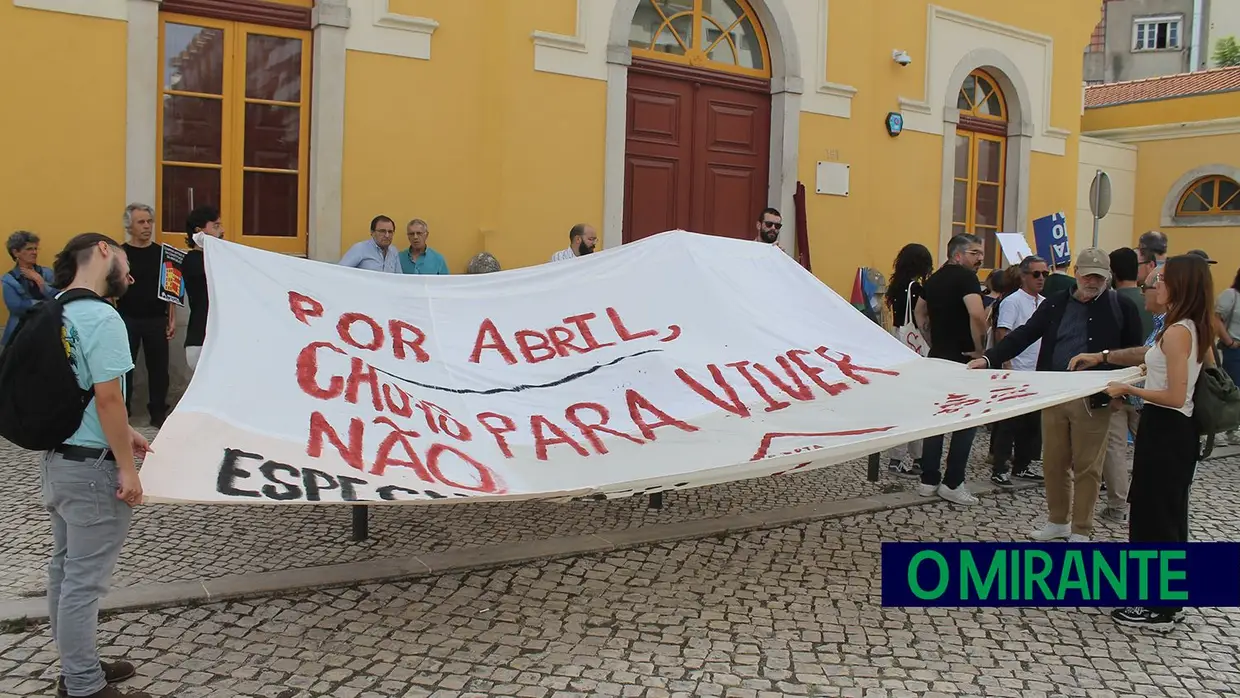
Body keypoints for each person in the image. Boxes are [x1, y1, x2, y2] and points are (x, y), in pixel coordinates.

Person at [1070, 254, 1213, 630]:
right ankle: (1164, 598)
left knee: (1157, 516)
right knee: (1161, 512)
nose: (1154, 284)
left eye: (1161, 280)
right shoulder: (1184, 326)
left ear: (1179, 286)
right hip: (1166, 430)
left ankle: (1158, 607)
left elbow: (1176, 395)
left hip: (1169, 429)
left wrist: (1128, 388)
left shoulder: (1180, 330)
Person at [969, 248, 1144, 541]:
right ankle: (1058, 521)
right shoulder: (1056, 303)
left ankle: (1082, 529)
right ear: (1076, 273)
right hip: (1054, 393)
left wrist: (1120, 395)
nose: (1093, 282)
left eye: (1100, 277)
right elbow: (1025, 334)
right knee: (1053, 462)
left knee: (1088, 467)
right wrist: (989, 358)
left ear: (1107, 278)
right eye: (1088, 275)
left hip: (1094, 396)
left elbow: (1133, 353)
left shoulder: (1120, 307)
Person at [45, 233, 154, 698]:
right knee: (83, 582)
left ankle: (78, 667)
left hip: (58, 459)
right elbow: (108, 396)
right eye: (126, 260)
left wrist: (123, 430)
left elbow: (81, 389)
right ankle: (84, 686)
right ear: (104, 251)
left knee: (65, 570)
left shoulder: (54, 310)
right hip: (92, 469)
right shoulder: (101, 316)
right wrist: (127, 469)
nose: (129, 274)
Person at [913, 233, 988, 505]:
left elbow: (919, 312)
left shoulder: (934, 279)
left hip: (938, 356)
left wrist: (932, 340)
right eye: (974, 252)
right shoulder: (966, 277)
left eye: (981, 253)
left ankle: (928, 479)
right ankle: (953, 482)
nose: (980, 258)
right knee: (966, 421)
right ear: (957, 255)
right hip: (964, 359)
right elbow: (977, 314)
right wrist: (981, 350)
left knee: (937, 419)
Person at [988, 255, 1048, 487]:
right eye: (1036, 274)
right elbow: (1004, 332)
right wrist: (1007, 362)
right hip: (1017, 367)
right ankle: (1000, 467)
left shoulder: (1045, 302)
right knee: (1010, 422)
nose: (1041, 278)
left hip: (1037, 369)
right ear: (1024, 276)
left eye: (1045, 274)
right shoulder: (1013, 301)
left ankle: (1022, 465)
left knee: (1032, 423)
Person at [115, 203, 174, 428]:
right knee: (124, 368)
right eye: (141, 222)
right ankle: (123, 411)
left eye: (149, 221)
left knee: (159, 369)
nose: (147, 226)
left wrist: (171, 319)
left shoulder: (163, 254)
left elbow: (172, 290)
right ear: (129, 226)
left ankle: (158, 412)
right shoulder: (120, 254)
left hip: (156, 318)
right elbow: (111, 288)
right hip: (126, 318)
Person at [882, 242, 934, 477]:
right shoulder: (916, 288)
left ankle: (906, 457)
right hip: (914, 348)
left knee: (903, 404)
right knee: (917, 405)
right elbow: (921, 321)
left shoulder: (897, 286)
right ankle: (908, 458)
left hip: (897, 343)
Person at [181, 206, 225, 373]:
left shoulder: (216, 260)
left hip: (216, 339)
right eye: (215, 226)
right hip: (201, 340)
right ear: (199, 231)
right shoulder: (193, 261)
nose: (221, 231)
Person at [2, 230, 58, 345]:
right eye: (29, 249)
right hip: (18, 335)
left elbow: (58, 298)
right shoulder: (9, 279)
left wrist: (40, 282)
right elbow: (17, 307)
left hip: (46, 332)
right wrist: (45, 305)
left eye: (35, 249)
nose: (34, 252)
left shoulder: (47, 273)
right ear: (16, 253)